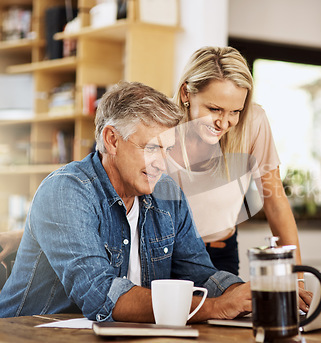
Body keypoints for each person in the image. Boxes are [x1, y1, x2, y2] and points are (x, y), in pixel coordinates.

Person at [0, 81, 252, 322]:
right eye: (152, 148)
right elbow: (102, 296)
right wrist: (217, 307)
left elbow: (202, 278)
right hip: (25, 334)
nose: (163, 164)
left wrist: (254, 295)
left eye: (168, 149)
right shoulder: (66, 191)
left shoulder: (167, 193)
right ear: (112, 140)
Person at [168, 46, 304, 277]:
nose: (224, 123)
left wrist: (297, 279)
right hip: (165, 256)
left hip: (221, 255)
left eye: (235, 111)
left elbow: (274, 201)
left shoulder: (253, 123)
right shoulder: (159, 128)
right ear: (186, 94)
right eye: (214, 109)